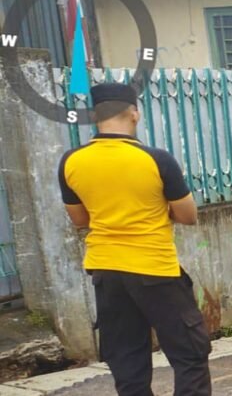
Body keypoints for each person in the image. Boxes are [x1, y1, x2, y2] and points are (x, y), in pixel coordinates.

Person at [58, 84, 211, 395]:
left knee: (127, 360)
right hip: (154, 268)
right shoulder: (156, 159)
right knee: (190, 354)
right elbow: (187, 216)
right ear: (134, 114)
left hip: (106, 272)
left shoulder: (71, 161)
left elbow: (80, 220)